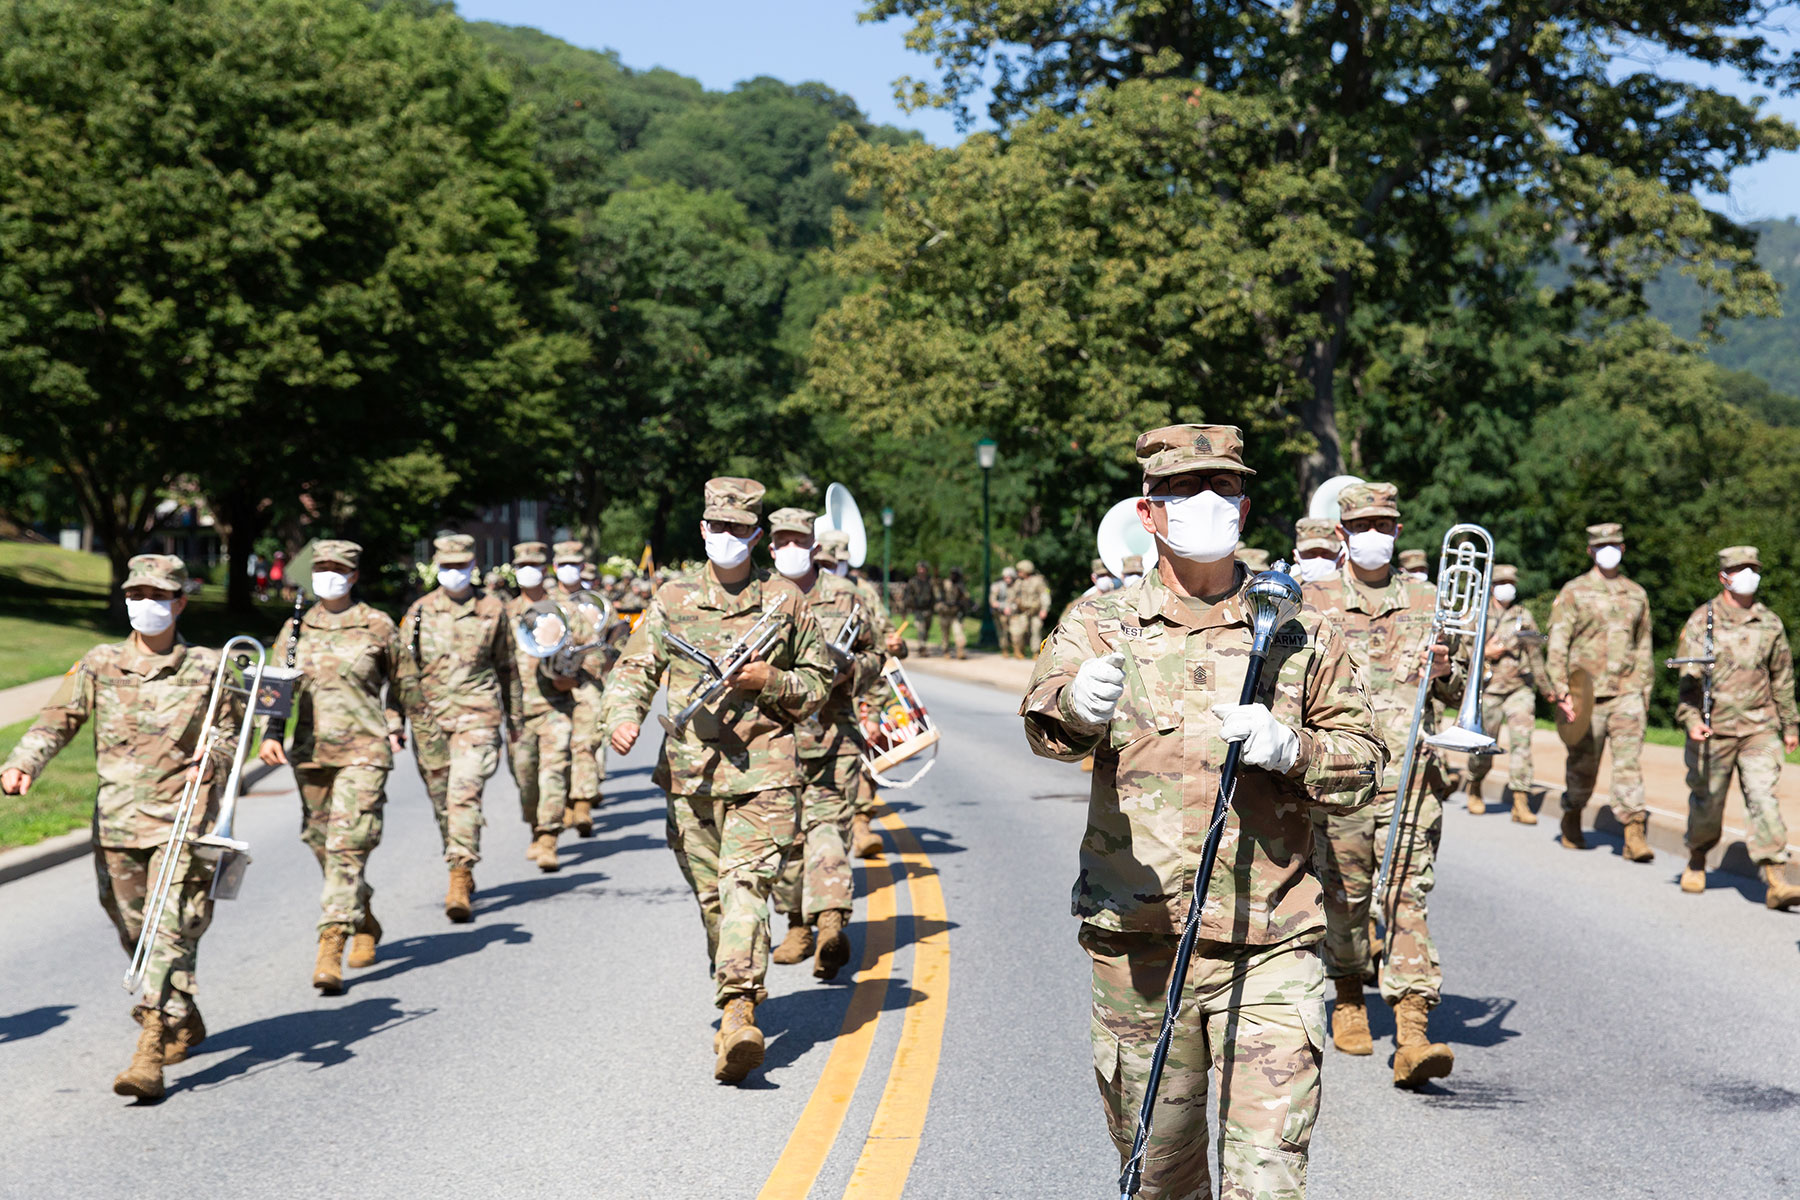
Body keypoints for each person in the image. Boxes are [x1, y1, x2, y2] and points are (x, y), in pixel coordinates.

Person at [1022, 424, 1384, 1200]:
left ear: (1246, 510)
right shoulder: (1100, 623)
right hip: (1141, 949)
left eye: (1223, 488)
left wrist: (1295, 751)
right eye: (1184, 490)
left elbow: (1364, 764)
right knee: (1160, 1179)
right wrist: (1076, 706)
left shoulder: (1300, 630)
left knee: (1269, 1179)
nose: (1205, 503)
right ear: (1149, 513)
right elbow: (1044, 723)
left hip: (1270, 944)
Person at [601, 477, 834, 1083]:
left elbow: (817, 683)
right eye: (716, 527)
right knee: (714, 904)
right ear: (702, 530)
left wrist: (772, 681)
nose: (725, 537)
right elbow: (634, 666)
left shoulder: (785, 601)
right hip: (691, 778)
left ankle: (737, 1012)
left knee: (744, 890)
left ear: (756, 535)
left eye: (737, 529)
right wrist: (622, 716)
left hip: (765, 775)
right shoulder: (672, 598)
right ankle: (738, 992)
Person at [1, 555, 236, 1100]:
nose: (146, 604)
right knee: (133, 932)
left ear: (180, 602)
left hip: (182, 821)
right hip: (117, 822)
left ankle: (149, 1050)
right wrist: (23, 763)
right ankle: (183, 1012)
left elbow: (231, 731)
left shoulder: (209, 666)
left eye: (158, 595)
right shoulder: (100, 662)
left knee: (166, 930)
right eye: (137, 594)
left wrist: (216, 756)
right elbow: (57, 718)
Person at [1306, 482, 1465, 1087]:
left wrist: (1448, 674)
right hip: (1341, 780)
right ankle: (1348, 995)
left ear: (1398, 531)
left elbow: (1460, 694)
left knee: (1404, 897)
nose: (1375, 534)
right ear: (1343, 534)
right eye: (1363, 525)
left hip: (1412, 780)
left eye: (1385, 524)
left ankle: (1413, 1029)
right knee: (1343, 901)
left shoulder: (1432, 599)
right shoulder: (1313, 600)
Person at [258, 540, 405, 994]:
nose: (328, 575)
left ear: (354, 575)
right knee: (320, 842)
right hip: (312, 752)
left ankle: (331, 943)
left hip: (365, 752)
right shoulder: (297, 628)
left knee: (346, 845)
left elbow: (404, 682)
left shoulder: (377, 625)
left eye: (338, 568)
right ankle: (363, 917)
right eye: (320, 567)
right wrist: (270, 734)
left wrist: (397, 722)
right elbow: (278, 687)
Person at [764, 509, 892, 978]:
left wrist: (849, 673)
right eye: (783, 540)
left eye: (801, 539)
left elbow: (878, 656)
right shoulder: (756, 596)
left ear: (814, 546)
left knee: (828, 832)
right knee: (784, 838)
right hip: (769, 742)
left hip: (832, 735)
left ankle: (831, 923)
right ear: (771, 546)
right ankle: (797, 923)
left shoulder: (847, 596)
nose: (792, 547)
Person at [394, 534, 516, 922]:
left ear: (472, 565)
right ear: (436, 567)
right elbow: (401, 672)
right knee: (443, 802)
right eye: (446, 566)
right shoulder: (418, 612)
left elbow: (508, 667)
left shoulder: (493, 609)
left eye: (460, 566)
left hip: (477, 716)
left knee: (464, 792)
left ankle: (459, 874)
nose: (453, 573)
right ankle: (459, 855)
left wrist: (516, 719)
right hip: (429, 722)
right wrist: (394, 717)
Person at [1675, 546, 1800, 908]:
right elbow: (1687, 684)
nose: (1748, 574)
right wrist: (1692, 720)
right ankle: (1697, 858)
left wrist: (1791, 723)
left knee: (1764, 799)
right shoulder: (1702, 620)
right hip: (1714, 730)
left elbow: (1783, 677)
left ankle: (1776, 879)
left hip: (1759, 727)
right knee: (1708, 804)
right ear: (1724, 576)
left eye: (1753, 568)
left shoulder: (1770, 623)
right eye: (1740, 569)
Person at [1547, 522, 1653, 859]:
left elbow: (1644, 646)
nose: (1609, 550)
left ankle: (1634, 833)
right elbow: (1558, 645)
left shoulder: (1637, 594)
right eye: (1601, 545)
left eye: (1615, 544)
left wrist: (1643, 692)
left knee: (1628, 765)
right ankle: (1573, 813)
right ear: (1591, 551)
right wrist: (1561, 690)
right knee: (1582, 767)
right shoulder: (1574, 592)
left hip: (1627, 694)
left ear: (1623, 549)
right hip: (1585, 695)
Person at [820, 530, 903, 860]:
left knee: (863, 756)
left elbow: (883, 640)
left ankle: (861, 825)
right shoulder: (796, 588)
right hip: (816, 691)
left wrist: (898, 646)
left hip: (860, 684)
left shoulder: (862, 592)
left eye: (836, 561)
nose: (831, 568)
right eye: (825, 562)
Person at [503, 541, 576, 872]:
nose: (527, 571)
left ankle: (549, 837)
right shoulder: (502, 613)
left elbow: (594, 651)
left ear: (546, 569)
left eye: (533, 564)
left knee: (553, 772)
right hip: (517, 713)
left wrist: (573, 677)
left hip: (555, 707)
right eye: (521, 566)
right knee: (526, 779)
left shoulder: (563, 610)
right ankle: (535, 826)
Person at [1465, 563, 1554, 822]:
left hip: (1519, 689)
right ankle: (1475, 785)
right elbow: (1462, 651)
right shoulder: (1478, 614)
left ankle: (1520, 800)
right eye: (1503, 583)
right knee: (1482, 745)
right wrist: (1485, 653)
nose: (1508, 588)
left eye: (1512, 584)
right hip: (1488, 689)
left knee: (1522, 744)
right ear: (1492, 587)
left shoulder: (1522, 615)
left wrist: (1547, 688)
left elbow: (1534, 654)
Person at [552, 539, 609, 838]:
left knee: (586, 742)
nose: (569, 569)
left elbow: (602, 647)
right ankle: (563, 804)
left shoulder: (594, 604)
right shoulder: (545, 602)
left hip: (586, 681)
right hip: (551, 685)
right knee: (558, 749)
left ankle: (583, 802)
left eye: (575, 563)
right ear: (555, 567)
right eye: (564, 564)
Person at [1010, 559, 1050, 656]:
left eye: (1020, 571)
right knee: (1019, 632)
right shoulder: (1018, 582)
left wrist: (1045, 609)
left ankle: (1035, 652)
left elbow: (1045, 595)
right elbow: (1012, 596)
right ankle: (1019, 650)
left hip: (1035, 611)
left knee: (1036, 631)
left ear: (1026, 570)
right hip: (1022, 612)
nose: (1018, 573)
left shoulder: (1038, 581)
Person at [934, 566, 971, 659]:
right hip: (945, 613)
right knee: (945, 635)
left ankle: (960, 651)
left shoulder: (960, 585)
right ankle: (945, 651)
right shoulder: (945, 584)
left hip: (955, 614)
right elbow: (939, 596)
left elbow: (965, 599)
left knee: (959, 633)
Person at [902, 561, 937, 656]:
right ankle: (922, 647)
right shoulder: (913, 581)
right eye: (919, 568)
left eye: (923, 568)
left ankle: (923, 644)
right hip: (918, 610)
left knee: (927, 629)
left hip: (928, 609)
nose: (921, 570)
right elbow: (907, 596)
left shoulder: (930, 581)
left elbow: (935, 595)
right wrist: (905, 610)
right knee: (920, 629)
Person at [1290, 517, 1340, 583]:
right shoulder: (1287, 589)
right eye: (1311, 554)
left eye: (1326, 554)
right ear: (1296, 557)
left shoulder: (1353, 589)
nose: (1319, 559)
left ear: (1341, 557)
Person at [989, 565, 1017, 656]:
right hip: (1000, 613)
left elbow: (1019, 600)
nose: (1007, 579)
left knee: (1015, 632)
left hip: (1014, 613)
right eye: (1006, 577)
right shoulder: (997, 586)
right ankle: (1004, 649)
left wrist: (1011, 608)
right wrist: (1003, 607)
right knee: (1002, 633)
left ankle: (1017, 650)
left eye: (1009, 577)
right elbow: (993, 601)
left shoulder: (1017, 586)